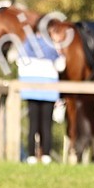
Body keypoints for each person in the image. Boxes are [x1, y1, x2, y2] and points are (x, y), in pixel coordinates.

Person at [18, 30, 60, 164]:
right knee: (47, 125)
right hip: (49, 90)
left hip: (30, 89)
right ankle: (46, 155)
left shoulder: (26, 43)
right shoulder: (51, 45)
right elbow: (61, 65)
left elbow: (20, 62)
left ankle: (31, 156)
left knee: (33, 125)